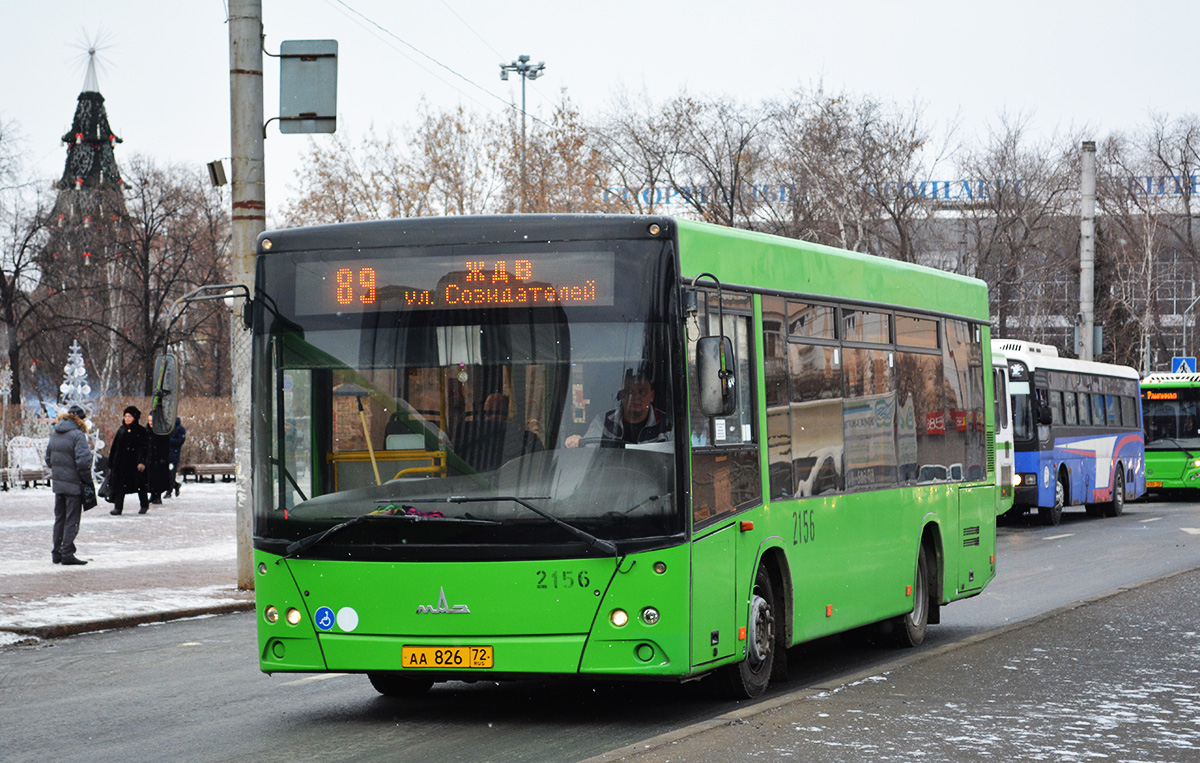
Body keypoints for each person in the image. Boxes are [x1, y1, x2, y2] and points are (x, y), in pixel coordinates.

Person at [565, 372, 672, 448]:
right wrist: (578, 443)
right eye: (629, 392)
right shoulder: (602, 421)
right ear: (621, 395)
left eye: (642, 392)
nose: (635, 397)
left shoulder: (668, 426)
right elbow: (589, 451)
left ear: (651, 396)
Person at [45, 405, 94, 565]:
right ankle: (67, 553)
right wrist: (86, 480)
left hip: (59, 484)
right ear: (80, 419)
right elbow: (83, 462)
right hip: (74, 485)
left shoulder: (55, 433)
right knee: (71, 520)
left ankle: (57, 552)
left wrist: (60, 473)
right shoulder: (78, 435)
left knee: (60, 518)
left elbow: (48, 459)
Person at [453, 392, 543, 472]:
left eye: (498, 413)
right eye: (489, 413)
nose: (493, 417)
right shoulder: (470, 437)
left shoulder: (527, 439)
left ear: (508, 414)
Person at [107, 405, 149, 515]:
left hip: (135, 464)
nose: (127, 418)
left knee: (140, 485)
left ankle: (144, 505)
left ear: (135, 417)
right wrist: (111, 462)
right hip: (121, 464)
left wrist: (142, 461)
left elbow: (144, 448)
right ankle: (118, 507)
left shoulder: (141, 431)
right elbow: (115, 448)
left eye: (129, 416)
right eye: (125, 416)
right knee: (120, 486)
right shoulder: (121, 430)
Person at [143, 412, 173, 505]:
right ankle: (152, 495)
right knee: (150, 479)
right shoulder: (146, 431)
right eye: (149, 421)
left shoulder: (161, 432)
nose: (150, 423)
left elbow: (166, 446)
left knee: (158, 479)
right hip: (149, 459)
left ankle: (157, 496)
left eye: (152, 421)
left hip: (159, 459)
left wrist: (163, 457)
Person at [167, 416, 186, 497]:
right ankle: (175, 485)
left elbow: (180, 441)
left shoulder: (180, 429)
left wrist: (168, 440)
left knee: (171, 473)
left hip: (173, 454)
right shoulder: (167, 427)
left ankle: (169, 490)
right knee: (166, 474)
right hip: (166, 453)